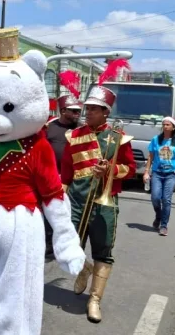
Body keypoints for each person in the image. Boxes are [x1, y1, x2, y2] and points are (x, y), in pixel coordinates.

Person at [61, 84, 136, 324]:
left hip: (105, 202)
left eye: (94, 109)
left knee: (104, 250)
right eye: (87, 108)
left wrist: (110, 169)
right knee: (68, 246)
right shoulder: (73, 135)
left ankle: (94, 299)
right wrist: (59, 197)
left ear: (106, 112)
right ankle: (84, 269)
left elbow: (131, 169)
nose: (88, 112)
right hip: (76, 200)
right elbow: (66, 172)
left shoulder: (118, 137)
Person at [43, 85, 83, 257]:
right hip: (51, 176)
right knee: (48, 212)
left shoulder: (82, 129)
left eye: (78, 111)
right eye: (73, 111)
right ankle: (48, 243)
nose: (77, 114)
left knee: (69, 213)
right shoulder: (48, 127)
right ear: (64, 110)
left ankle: (67, 245)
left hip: (75, 179)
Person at [143, 117, 175, 236]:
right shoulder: (156, 140)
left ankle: (163, 225)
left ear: (173, 127)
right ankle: (158, 215)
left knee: (166, 200)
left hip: (171, 174)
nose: (165, 126)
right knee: (155, 197)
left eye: (168, 124)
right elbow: (150, 156)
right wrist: (146, 172)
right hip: (157, 173)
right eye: (164, 124)